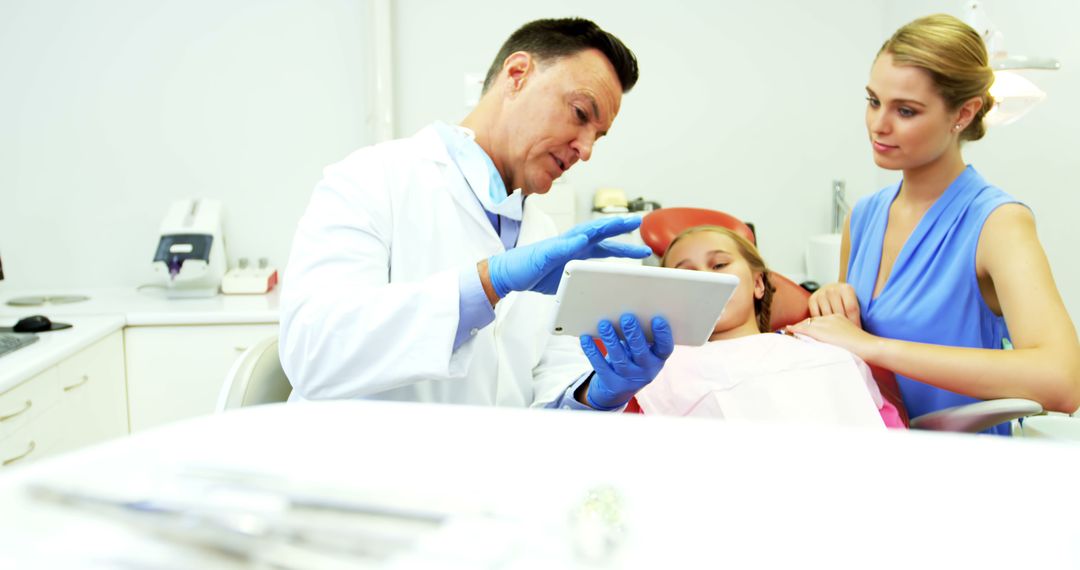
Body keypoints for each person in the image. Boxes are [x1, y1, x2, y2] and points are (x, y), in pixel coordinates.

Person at [279, 18, 673, 411]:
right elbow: (312, 353)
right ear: (517, 75)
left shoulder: (542, 230)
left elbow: (545, 378)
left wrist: (596, 393)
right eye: (581, 114)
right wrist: (485, 284)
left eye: (597, 136)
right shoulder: (372, 178)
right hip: (359, 466)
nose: (586, 150)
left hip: (489, 468)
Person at [794, 14, 1080, 434]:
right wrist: (836, 302)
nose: (879, 124)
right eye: (873, 101)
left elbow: (1062, 380)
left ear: (963, 113)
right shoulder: (865, 215)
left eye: (905, 111)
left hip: (960, 466)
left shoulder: (998, 224)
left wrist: (874, 346)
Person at [628, 226, 905, 429]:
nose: (704, 278)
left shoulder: (816, 346)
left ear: (758, 283)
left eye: (720, 264)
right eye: (686, 274)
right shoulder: (657, 371)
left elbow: (885, 429)